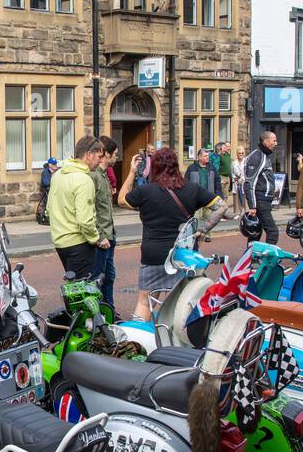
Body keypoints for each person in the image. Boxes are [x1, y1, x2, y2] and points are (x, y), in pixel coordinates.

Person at [119, 147, 227, 321]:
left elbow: (121, 199)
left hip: (152, 253)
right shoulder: (192, 189)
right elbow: (221, 206)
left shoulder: (146, 191)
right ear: (176, 166)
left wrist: (132, 172)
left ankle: (139, 341)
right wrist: (203, 229)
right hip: (183, 254)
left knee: (145, 301)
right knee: (183, 301)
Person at [46, 136, 103, 281]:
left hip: (60, 242)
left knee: (72, 287)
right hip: (79, 243)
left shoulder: (58, 175)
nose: (101, 161)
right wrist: (95, 238)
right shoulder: (84, 180)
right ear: (89, 155)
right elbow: (85, 220)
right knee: (82, 294)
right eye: (99, 156)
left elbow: (49, 209)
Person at [90, 137, 120, 308]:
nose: (117, 157)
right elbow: (91, 210)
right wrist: (100, 236)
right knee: (98, 279)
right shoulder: (94, 177)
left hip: (110, 234)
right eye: (115, 154)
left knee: (109, 276)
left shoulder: (104, 175)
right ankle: (99, 316)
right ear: (106, 154)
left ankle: (109, 310)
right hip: (102, 239)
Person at [242, 130, 281, 244]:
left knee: (256, 232)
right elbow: (249, 183)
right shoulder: (257, 156)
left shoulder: (265, 155)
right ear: (266, 141)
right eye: (274, 140)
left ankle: (251, 259)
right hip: (260, 201)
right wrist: (253, 206)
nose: (276, 143)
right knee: (273, 231)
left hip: (264, 200)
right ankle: (268, 259)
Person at [36, 158, 60, 225]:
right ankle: (47, 217)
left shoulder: (57, 172)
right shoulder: (46, 172)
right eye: (54, 164)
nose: (56, 166)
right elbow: (46, 183)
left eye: (56, 164)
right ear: (50, 165)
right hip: (47, 189)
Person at [231, 146, 246, 215]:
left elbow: (248, 173)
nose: (241, 154)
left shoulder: (246, 162)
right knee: (236, 198)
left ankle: (246, 212)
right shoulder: (234, 163)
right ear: (237, 153)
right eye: (239, 153)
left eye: (242, 153)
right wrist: (235, 178)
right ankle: (237, 213)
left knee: (244, 198)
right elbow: (232, 173)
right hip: (236, 183)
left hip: (244, 182)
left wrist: (242, 178)